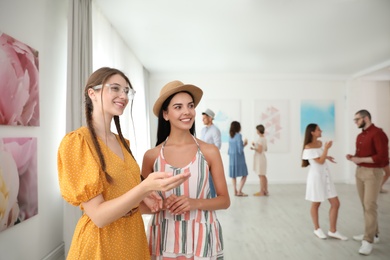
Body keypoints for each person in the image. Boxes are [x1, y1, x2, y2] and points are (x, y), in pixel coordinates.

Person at [57, 68, 190, 259]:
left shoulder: (122, 143)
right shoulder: (77, 143)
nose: (123, 96)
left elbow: (126, 203)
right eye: (115, 88)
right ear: (92, 93)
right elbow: (100, 217)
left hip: (132, 238)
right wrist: (144, 187)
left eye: (126, 91)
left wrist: (153, 202)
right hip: (101, 245)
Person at [141, 80, 230, 259]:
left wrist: (194, 203)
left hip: (202, 236)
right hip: (164, 238)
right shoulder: (152, 156)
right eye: (178, 107)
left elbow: (224, 200)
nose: (187, 112)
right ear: (165, 114)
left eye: (190, 106)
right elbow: (142, 206)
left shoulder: (209, 152)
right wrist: (163, 205)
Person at [346, 109, 389, 255]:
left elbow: (383, 158)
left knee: (370, 205)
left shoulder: (378, 134)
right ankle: (373, 234)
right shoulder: (360, 136)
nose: (355, 122)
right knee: (365, 205)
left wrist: (361, 159)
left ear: (366, 118)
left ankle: (368, 240)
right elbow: (361, 155)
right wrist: (353, 157)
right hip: (360, 172)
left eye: (357, 119)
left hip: (373, 173)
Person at [301, 123, 348, 241]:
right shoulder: (307, 146)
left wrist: (327, 156)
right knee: (316, 204)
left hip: (326, 176)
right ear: (312, 132)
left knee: (335, 203)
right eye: (318, 129)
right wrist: (326, 150)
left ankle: (333, 231)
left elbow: (320, 157)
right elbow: (319, 161)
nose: (321, 131)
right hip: (316, 178)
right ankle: (317, 229)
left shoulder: (319, 144)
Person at [201, 108, 221, 198]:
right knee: (204, 180)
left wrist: (210, 155)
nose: (202, 119)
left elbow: (217, 145)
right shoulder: (203, 130)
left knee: (211, 180)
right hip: (202, 158)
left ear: (210, 118)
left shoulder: (215, 130)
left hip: (211, 159)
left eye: (204, 118)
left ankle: (213, 199)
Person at [228, 121, 249, 197]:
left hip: (232, 158)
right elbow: (240, 149)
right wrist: (245, 144)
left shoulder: (230, 136)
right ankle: (239, 191)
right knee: (245, 174)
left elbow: (229, 149)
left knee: (233, 175)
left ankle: (234, 191)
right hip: (239, 158)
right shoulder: (239, 135)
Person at [250, 124, 268, 196]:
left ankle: (261, 191)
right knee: (263, 175)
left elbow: (260, 150)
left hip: (260, 159)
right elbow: (265, 149)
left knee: (261, 175)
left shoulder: (260, 139)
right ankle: (265, 190)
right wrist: (255, 145)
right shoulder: (264, 138)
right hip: (262, 158)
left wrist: (253, 148)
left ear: (258, 130)